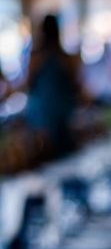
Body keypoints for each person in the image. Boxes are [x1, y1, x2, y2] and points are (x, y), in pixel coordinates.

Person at [26, 14, 80, 156]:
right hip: (60, 113)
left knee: (46, 153)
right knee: (61, 152)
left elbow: (28, 83)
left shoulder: (37, 56)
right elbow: (75, 85)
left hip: (44, 114)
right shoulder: (64, 57)